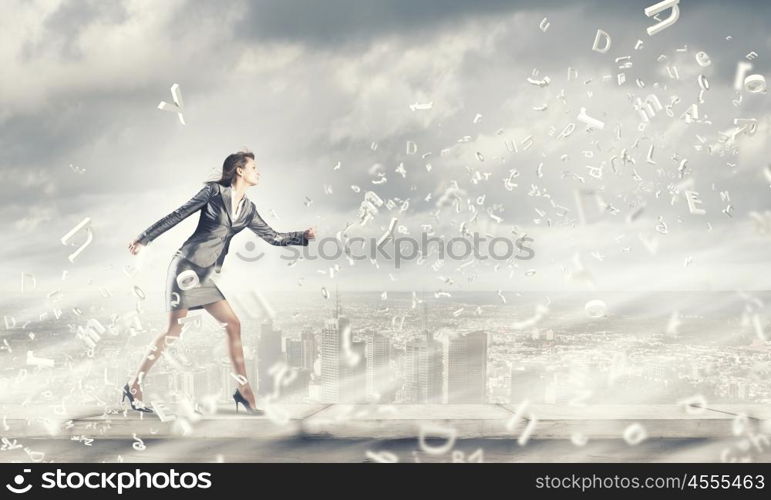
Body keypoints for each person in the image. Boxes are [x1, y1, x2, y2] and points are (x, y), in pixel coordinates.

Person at [123, 150, 315, 414]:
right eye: (254, 167)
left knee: (233, 324)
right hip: (186, 267)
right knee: (173, 331)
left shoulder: (248, 209)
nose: (258, 172)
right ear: (239, 170)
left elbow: (272, 237)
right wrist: (145, 238)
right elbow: (178, 214)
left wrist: (301, 236)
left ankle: (243, 391)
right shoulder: (213, 193)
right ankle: (134, 384)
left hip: (205, 275)